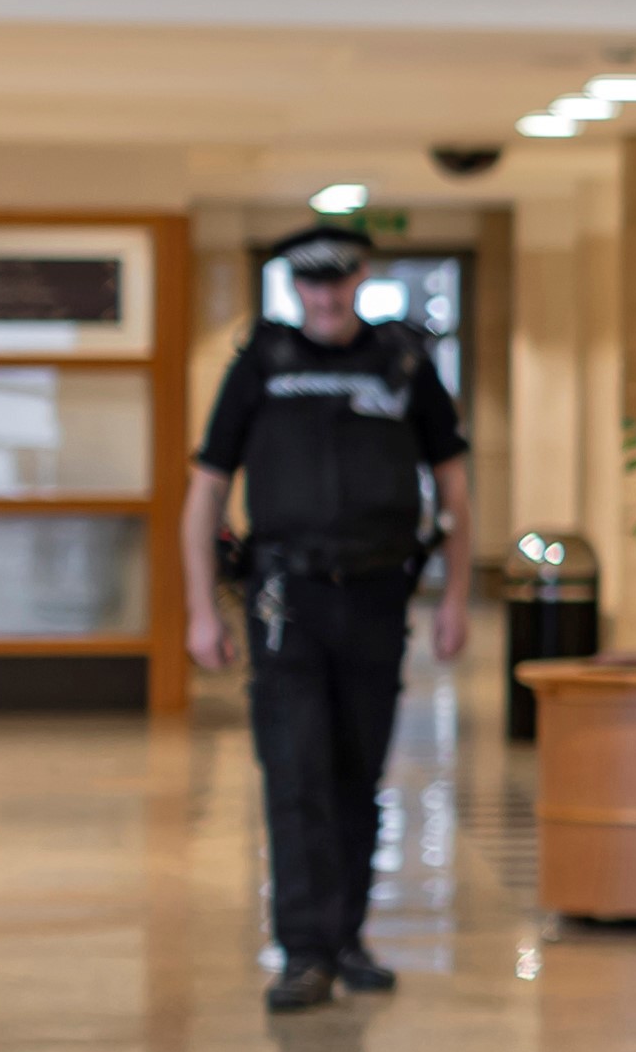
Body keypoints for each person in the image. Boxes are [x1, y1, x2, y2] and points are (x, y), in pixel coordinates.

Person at [182, 229, 471, 1008]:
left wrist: (455, 595)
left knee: (358, 771)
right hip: (287, 598)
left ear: (360, 279)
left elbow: (454, 487)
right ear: (295, 289)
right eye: (311, 283)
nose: (326, 295)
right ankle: (303, 950)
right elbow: (207, 488)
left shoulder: (405, 364)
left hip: (377, 595)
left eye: (339, 280)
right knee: (295, 769)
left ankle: (348, 939)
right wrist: (199, 608)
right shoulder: (262, 366)